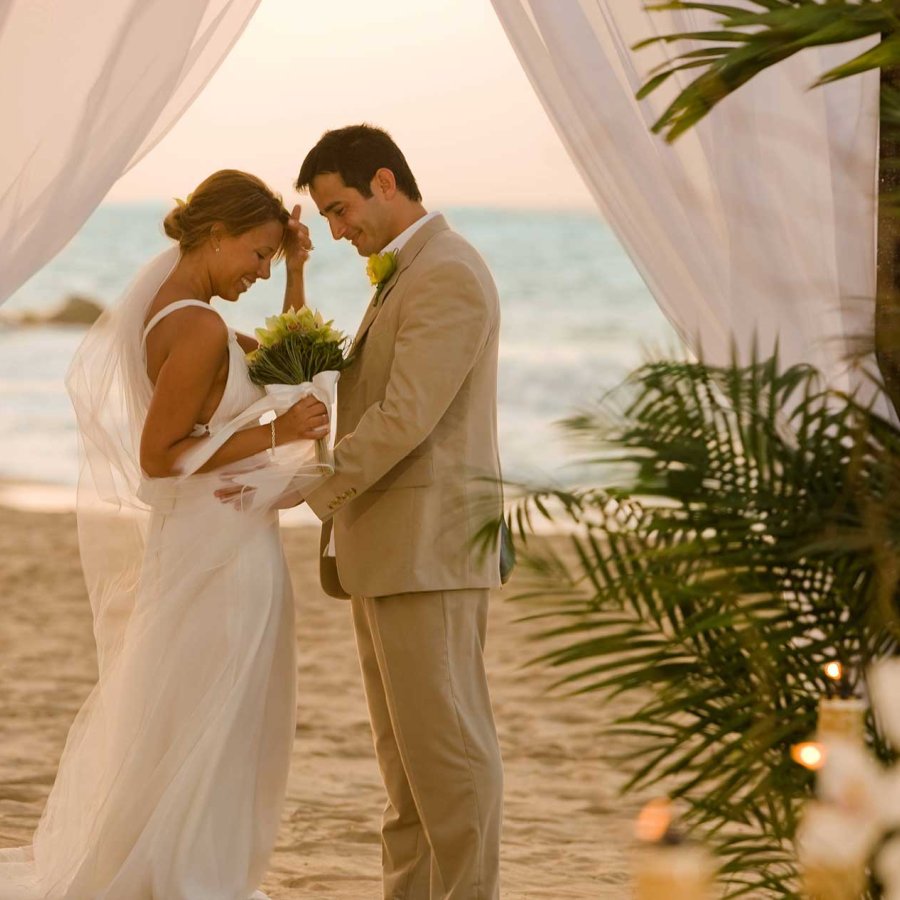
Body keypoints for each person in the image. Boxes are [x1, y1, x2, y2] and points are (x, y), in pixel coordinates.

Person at [0, 170, 327, 900]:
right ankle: (189, 875)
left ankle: (183, 864)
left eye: (274, 258)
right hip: (222, 544)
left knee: (196, 709)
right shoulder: (199, 325)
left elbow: (288, 364)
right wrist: (278, 432)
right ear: (215, 235)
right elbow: (160, 455)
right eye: (258, 253)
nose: (261, 270)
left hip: (215, 534)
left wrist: (299, 273)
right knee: (218, 713)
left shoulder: (177, 312)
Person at [297, 125, 505, 900]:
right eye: (325, 218)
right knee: (405, 767)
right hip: (384, 548)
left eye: (340, 209)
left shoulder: (447, 273)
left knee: (448, 755)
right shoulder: (403, 274)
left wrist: (314, 487)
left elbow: (406, 413)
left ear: (385, 182)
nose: (338, 229)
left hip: (430, 549)